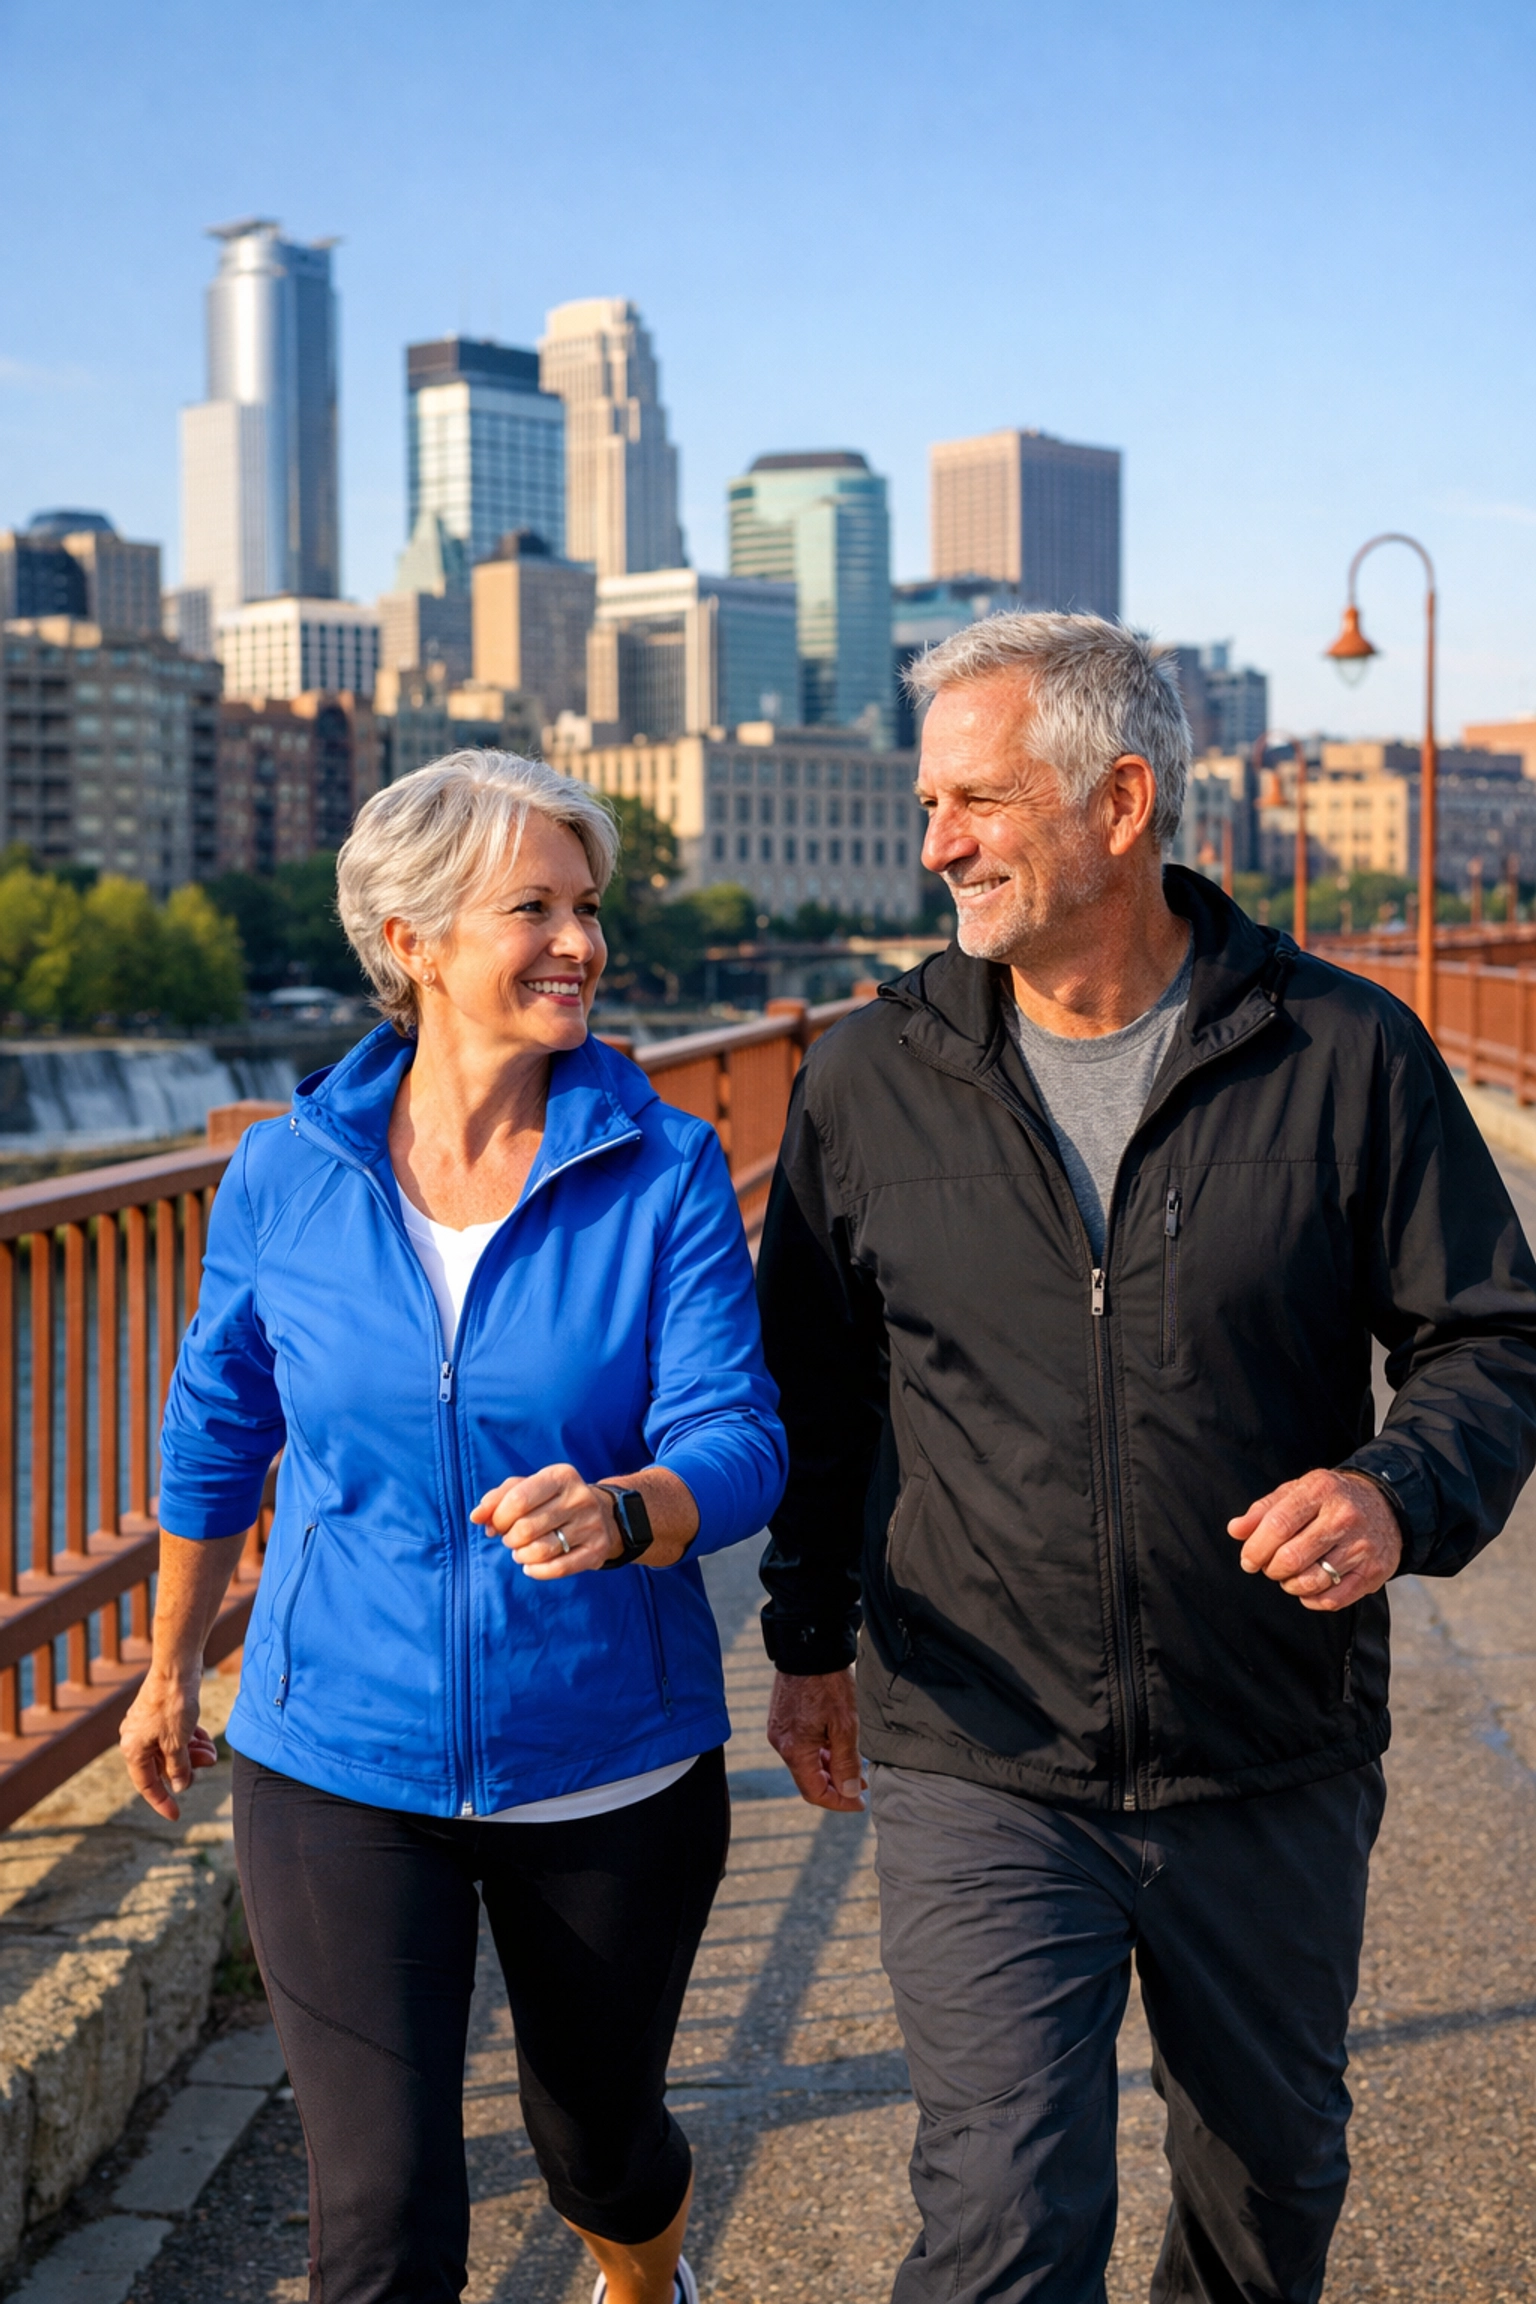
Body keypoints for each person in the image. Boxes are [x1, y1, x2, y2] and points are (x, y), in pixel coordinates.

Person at [755, 614, 1536, 2304]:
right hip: (979, 1747)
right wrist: (805, 1640)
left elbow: (1491, 1336)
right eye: (928, 803)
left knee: (1269, 2200)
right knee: (1002, 2221)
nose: (936, 844)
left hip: (1266, 1745)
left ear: (1120, 804)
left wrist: (1395, 1492)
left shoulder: (1343, 1051)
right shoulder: (868, 1078)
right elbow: (819, 1393)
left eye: (977, 801)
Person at [119, 750, 786, 2304]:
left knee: (600, 2150)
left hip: (605, 1758)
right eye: (533, 908)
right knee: (381, 2214)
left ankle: (644, 2277)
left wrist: (627, 1509)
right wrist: (167, 1671)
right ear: (412, 940)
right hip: (334, 1756)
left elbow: (739, 1438)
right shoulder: (285, 1172)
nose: (580, 942)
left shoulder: (663, 1168)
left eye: (588, 907)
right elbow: (216, 1431)